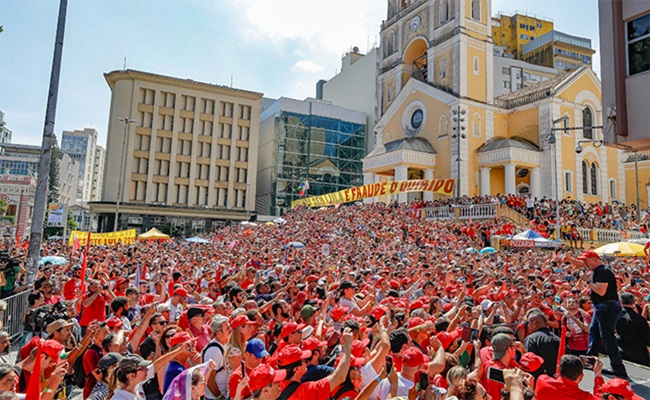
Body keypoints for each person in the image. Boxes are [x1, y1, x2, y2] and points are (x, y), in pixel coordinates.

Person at [564, 250, 627, 377]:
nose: (585, 263)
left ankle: (618, 367)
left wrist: (587, 281)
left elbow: (601, 291)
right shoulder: (598, 270)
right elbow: (581, 264)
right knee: (594, 332)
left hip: (607, 307)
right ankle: (590, 361)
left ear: (594, 259)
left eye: (587, 260)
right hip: (602, 307)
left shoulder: (602, 271)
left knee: (607, 336)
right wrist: (570, 260)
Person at [535, 354, 603, 400]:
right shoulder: (584, 397)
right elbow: (601, 398)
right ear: (581, 376)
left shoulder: (542, 381)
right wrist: (598, 374)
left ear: (558, 368)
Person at [616, 292, 650, 366]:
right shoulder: (640, 320)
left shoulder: (615, 316)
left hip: (620, 351)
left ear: (621, 302)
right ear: (634, 302)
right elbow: (647, 340)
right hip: (638, 354)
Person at [523, 310, 560, 377]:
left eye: (528, 323)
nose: (527, 326)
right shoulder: (558, 339)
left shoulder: (531, 339)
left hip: (538, 379)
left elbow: (528, 362)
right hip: (557, 379)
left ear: (534, 324)